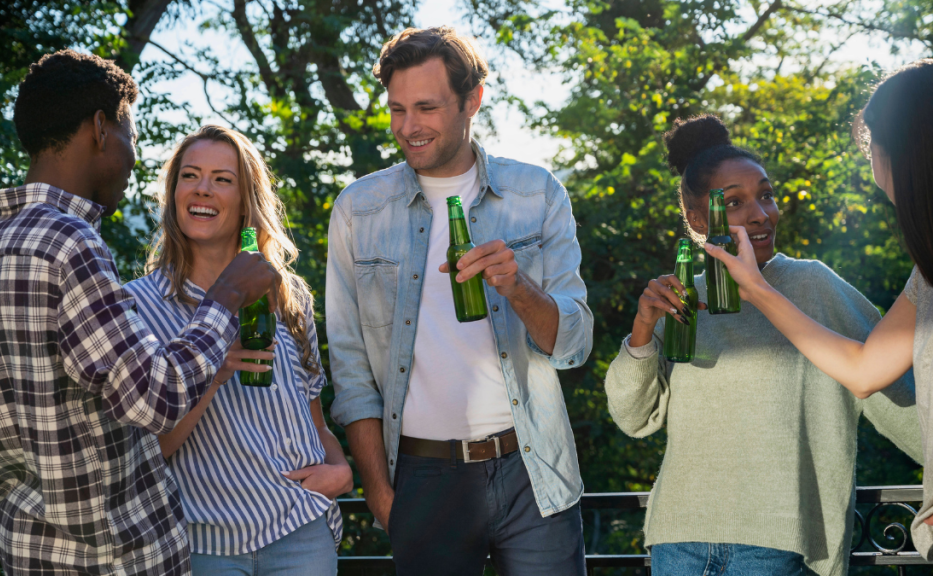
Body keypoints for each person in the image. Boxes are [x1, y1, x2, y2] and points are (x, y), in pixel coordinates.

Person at [0, 51, 277, 575]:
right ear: (100, 130)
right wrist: (226, 297)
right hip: (114, 556)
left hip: (29, 552)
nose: (132, 159)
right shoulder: (69, 241)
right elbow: (156, 397)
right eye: (130, 138)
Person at [325, 26, 594, 576]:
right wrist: (379, 492)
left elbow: (575, 344)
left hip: (532, 468)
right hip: (424, 477)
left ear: (472, 100)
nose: (408, 127)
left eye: (426, 107)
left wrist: (518, 287)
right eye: (397, 109)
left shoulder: (536, 194)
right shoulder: (358, 210)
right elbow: (351, 369)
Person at [603, 114, 922, 576]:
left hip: (780, 545)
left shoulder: (813, 286)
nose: (761, 213)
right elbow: (635, 419)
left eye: (767, 195)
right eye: (735, 202)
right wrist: (640, 331)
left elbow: (898, 390)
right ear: (698, 219)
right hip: (679, 542)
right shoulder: (681, 297)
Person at [702, 60, 933, 558]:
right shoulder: (926, 275)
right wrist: (757, 289)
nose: (872, 168)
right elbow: (864, 369)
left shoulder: (818, 280)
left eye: (872, 149)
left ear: (906, 152)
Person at [125, 125, 352, 575]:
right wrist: (214, 368)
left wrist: (341, 469)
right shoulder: (136, 305)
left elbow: (313, 420)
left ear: (246, 199)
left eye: (222, 179)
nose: (203, 189)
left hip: (300, 530)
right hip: (204, 542)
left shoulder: (289, 297)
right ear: (173, 193)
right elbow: (148, 450)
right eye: (189, 176)